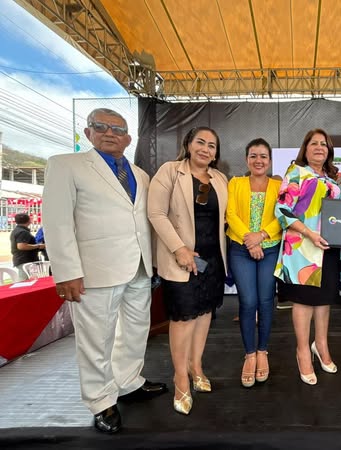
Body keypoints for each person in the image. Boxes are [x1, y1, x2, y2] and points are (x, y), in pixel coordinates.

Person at [42, 108, 167, 434]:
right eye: (101, 126)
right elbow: (56, 222)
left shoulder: (140, 175)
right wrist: (66, 271)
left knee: (136, 330)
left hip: (139, 266)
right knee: (96, 339)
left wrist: (154, 261)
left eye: (118, 129)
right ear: (89, 132)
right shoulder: (65, 165)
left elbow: (143, 219)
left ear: (128, 138)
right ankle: (100, 400)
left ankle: (128, 382)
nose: (110, 133)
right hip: (94, 270)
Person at [148, 126, 228, 415]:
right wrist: (179, 249)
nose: (205, 149)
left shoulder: (220, 178)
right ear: (188, 144)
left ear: (216, 153)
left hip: (212, 259)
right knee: (183, 318)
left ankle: (196, 367)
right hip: (180, 259)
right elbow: (156, 213)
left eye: (212, 145)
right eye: (200, 142)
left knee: (204, 313)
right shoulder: (170, 171)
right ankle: (180, 377)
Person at [274, 128, 341, 386]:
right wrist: (309, 233)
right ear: (305, 148)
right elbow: (281, 210)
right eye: (314, 143)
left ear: (329, 150)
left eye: (324, 144)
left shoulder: (334, 178)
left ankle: (321, 345)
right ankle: (303, 350)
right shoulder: (296, 173)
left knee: (324, 300)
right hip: (302, 249)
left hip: (329, 248)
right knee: (303, 302)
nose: (319, 147)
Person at [226, 138, 282, 387]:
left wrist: (261, 236)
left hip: (270, 249)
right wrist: (250, 241)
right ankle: (249, 355)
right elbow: (231, 214)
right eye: (253, 156)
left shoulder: (279, 185)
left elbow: (283, 215)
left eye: (263, 156)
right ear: (247, 159)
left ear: (269, 160)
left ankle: (262, 351)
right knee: (248, 302)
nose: (258, 160)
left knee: (266, 301)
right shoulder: (235, 183)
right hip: (241, 249)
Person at [10, 213, 43, 281]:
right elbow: (21, 246)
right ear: (29, 221)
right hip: (25, 260)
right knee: (25, 281)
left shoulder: (17, 230)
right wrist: (38, 246)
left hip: (22, 259)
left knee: (29, 280)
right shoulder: (23, 232)